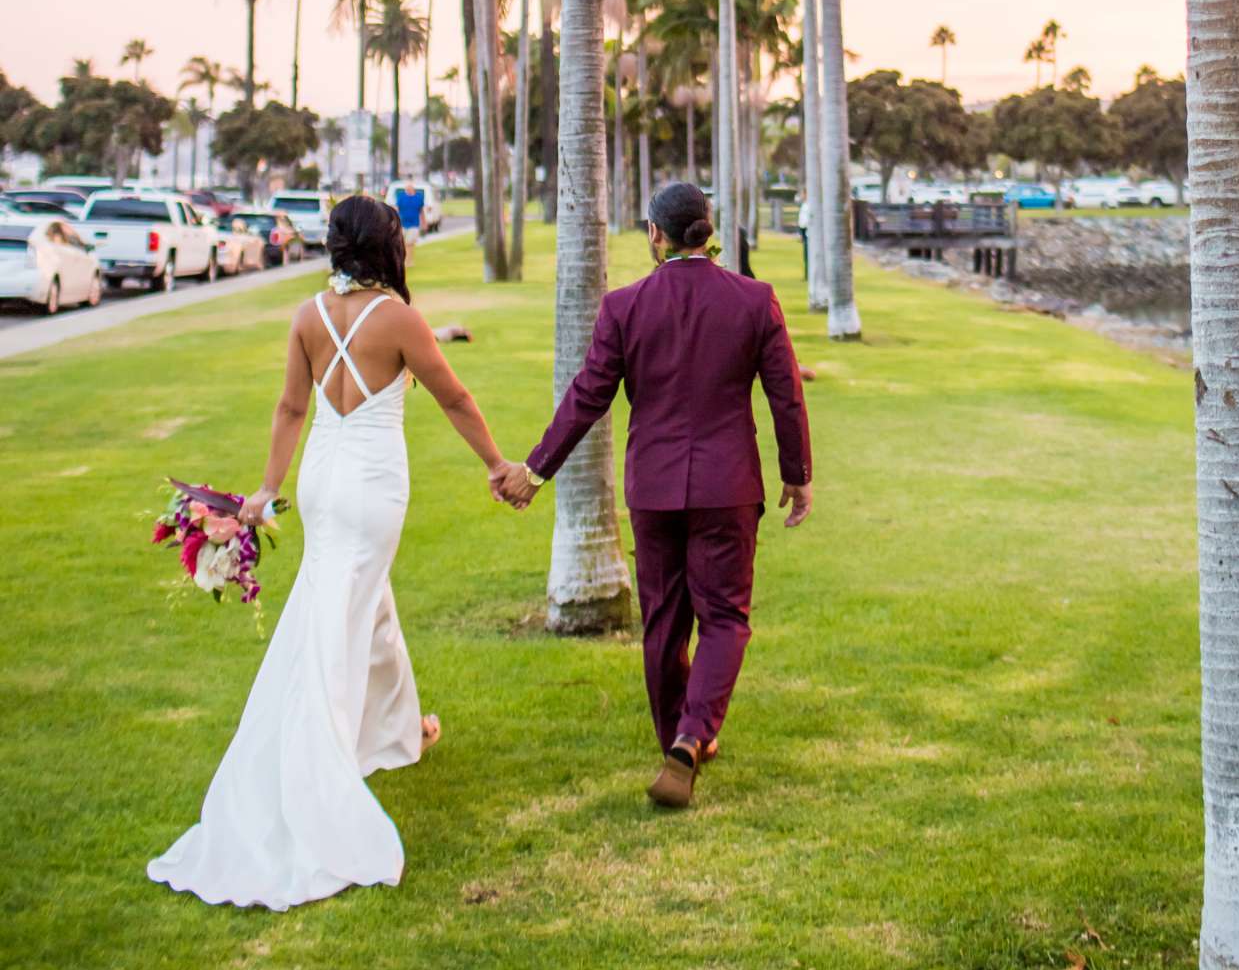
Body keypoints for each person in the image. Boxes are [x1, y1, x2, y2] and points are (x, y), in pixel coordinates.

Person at [148, 194, 521, 910]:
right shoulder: (400, 319)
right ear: (386, 245)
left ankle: (399, 728)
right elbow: (455, 397)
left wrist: (267, 487)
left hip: (322, 482)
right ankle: (321, 772)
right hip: (374, 487)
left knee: (360, 600)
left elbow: (292, 408)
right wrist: (496, 464)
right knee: (338, 620)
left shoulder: (308, 316)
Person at [494, 181, 812, 809]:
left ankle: (677, 736)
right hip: (728, 487)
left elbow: (588, 396)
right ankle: (692, 739)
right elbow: (785, 395)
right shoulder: (755, 300)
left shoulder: (624, 306)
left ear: (655, 235)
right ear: (708, 227)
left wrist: (535, 472)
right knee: (724, 618)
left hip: (655, 489)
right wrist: (796, 474)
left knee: (664, 622)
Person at [393, 174, 427, 257]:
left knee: (410, 243)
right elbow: (396, 209)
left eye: (409, 188)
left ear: (412, 188)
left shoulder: (418, 197)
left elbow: (421, 211)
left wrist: (424, 223)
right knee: (402, 243)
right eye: (406, 188)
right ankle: (404, 258)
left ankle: (408, 259)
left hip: (414, 224)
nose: (407, 190)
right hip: (403, 223)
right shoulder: (401, 196)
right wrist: (394, 221)